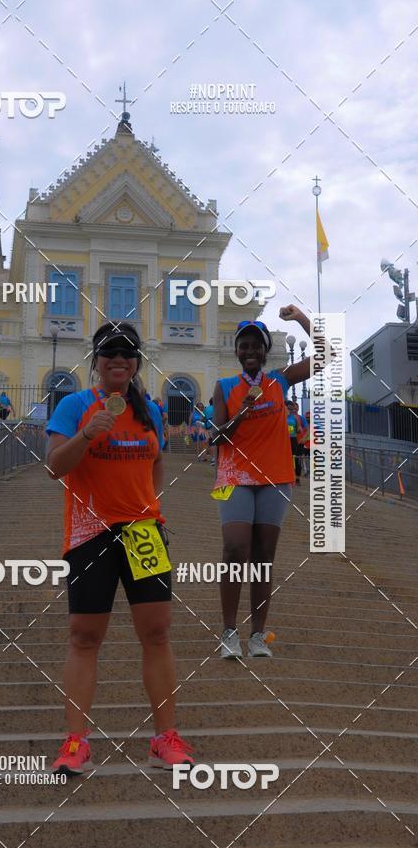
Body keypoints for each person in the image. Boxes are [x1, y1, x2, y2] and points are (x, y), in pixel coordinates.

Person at [45, 321, 194, 774]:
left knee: (158, 634)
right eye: (109, 351)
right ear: (96, 359)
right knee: (84, 637)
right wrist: (88, 434)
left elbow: (157, 462)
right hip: (91, 534)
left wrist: (147, 505)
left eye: (128, 353)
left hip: (143, 533)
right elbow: (54, 467)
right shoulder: (74, 405)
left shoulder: (148, 410)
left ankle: (164, 738)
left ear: (136, 363)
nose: (118, 360)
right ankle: (76, 742)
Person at [210, 307, 312, 659]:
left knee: (264, 557)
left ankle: (256, 635)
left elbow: (326, 354)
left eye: (256, 346)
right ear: (237, 352)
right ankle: (227, 632)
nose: (250, 351)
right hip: (233, 476)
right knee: (235, 549)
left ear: (265, 351)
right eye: (244, 346)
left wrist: (299, 317)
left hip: (275, 479)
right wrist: (243, 412)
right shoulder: (224, 387)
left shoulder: (279, 381)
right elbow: (217, 438)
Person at [203, 398, 215, 465]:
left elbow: (202, 418)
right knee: (214, 443)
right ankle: (214, 458)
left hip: (208, 426)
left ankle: (213, 458)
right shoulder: (217, 407)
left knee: (211, 442)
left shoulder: (206, 409)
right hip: (216, 426)